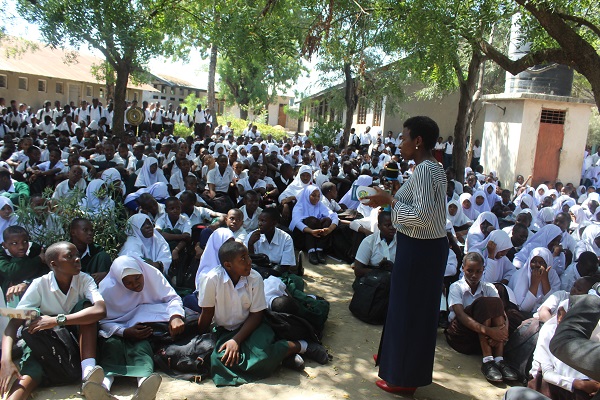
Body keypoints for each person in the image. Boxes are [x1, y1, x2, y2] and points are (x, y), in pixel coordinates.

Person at [363, 116, 449, 394]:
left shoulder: (426, 170)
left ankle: (404, 379)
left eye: (403, 137)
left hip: (421, 251)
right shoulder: (431, 168)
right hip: (421, 248)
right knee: (405, 309)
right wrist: (389, 197)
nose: (400, 143)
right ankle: (395, 361)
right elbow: (417, 207)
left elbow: (422, 217)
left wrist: (389, 201)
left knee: (411, 313)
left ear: (418, 141)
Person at [197, 241, 329, 386]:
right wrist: (200, 338)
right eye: (243, 259)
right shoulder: (211, 280)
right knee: (220, 359)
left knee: (261, 354)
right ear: (228, 265)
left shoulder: (254, 278)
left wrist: (236, 340)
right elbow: (207, 312)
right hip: (225, 331)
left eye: (248, 256)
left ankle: (299, 346)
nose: (249, 261)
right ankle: (281, 357)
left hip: (252, 327)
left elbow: (256, 315)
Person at [0, 242, 106, 400]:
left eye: (77, 255)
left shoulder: (84, 279)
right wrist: (6, 360)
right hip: (50, 341)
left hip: (78, 341)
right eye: (70, 256)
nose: (77, 259)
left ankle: (88, 373)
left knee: (86, 307)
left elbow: (100, 310)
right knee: (30, 371)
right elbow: (13, 324)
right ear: (53, 264)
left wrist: (57, 320)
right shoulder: (40, 284)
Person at [85, 256, 182, 400]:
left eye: (137, 278)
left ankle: (144, 386)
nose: (136, 285)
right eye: (128, 283)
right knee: (111, 348)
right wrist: (124, 331)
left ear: (142, 272)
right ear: (119, 281)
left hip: (144, 329)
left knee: (142, 349)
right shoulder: (107, 290)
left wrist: (175, 315)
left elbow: (172, 298)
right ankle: (102, 388)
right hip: (116, 331)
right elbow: (102, 320)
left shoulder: (152, 275)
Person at [445, 252, 518, 383]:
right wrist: (490, 331)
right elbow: (461, 315)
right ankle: (488, 360)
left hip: (482, 335)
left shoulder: (488, 287)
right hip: (462, 334)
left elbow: (501, 313)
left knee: (495, 303)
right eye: (470, 271)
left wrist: (502, 332)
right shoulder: (456, 287)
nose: (474, 275)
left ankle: (499, 359)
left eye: (478, 271)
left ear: (483, 270)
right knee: (483, 304)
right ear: (462, 268)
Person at [290, 185, 338, 265]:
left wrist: (330, 229)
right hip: (303, 237)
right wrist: (311, 231)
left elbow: (333, 215)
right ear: (307, 195)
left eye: (318, 196)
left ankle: (319, 249)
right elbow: (296, 221)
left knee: (327, 220)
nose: (316, 198)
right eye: (313, 195)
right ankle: (311, 251)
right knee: (312, 220)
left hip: (317, 235)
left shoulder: (319, 204)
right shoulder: (299, 206)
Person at [509, 247, 561, 313]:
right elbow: (523, 308)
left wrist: (545, 279)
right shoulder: (520, 275)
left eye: (542, 262)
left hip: (545, 313)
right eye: (533, 261)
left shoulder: (553, 275)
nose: (537, 265)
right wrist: (534, 284)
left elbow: (553, 304)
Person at [245, 208, 296, 272]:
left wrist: (270, 272)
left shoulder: (286, 238)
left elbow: (285, 266)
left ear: (274, 223)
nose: (259, 224)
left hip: (277, 272)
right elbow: (247, 262)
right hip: (257, 271)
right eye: (259, 220)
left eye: (263, 221)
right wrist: (250, 244)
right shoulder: (251, 236)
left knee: (296, 280)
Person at [69, 218, 111, 285]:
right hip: (72, 284)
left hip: (92, 285)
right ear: (73, 232)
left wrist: (106, 273)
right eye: (85, 230)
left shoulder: (97, 249)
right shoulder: (65, 250)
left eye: (91, 231)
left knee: (103, 256)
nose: (90, 233)